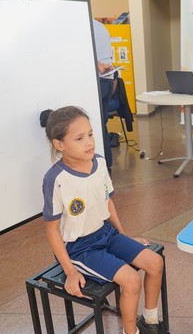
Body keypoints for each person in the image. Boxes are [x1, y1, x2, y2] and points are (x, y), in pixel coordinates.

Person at [40, 106, 166, 334]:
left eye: (90, 134)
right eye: (79, 138)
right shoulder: (55, 179)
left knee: (155, 263)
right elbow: (52, 230)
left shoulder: (99, 164)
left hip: (107, 233)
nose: (89, 142)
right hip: (80, 248)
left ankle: (150, 321)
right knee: (131, 281)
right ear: (60, 145)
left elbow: (108, 203)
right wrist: (69, 271)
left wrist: (124, 237)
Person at [92, 19, 116, 173]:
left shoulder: (83, 26)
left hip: (98, 80)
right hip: (107, 80)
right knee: (102, 123)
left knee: (96, 125)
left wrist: (98, 64)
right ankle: (106, 165)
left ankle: (103, 167)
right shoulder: (100, 27)